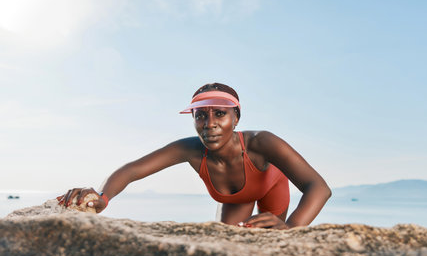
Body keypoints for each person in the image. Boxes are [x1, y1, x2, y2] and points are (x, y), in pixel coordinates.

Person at [58, 83, 331, 229]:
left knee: (273, 244)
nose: (209, 123)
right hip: (237, 200)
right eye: (201, 115)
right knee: (227, 247)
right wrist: (103, 198)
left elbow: (318, 188)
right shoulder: (190, 149)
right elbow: (131, 170)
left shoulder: (262, 142)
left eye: (220, 114)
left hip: (271, 189)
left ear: (237, 118)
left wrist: (292, 228)